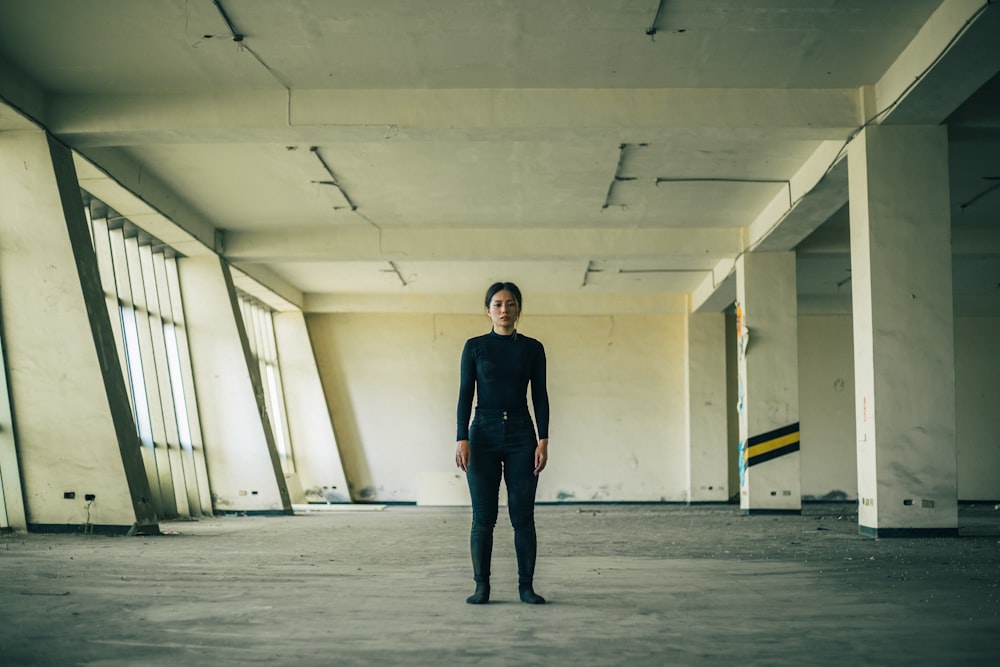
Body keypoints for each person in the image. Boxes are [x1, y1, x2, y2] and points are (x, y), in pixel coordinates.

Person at [455, 281, 549, 605]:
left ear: (518, 309)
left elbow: (540, 395)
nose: (504, 310)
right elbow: (465, 394)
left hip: (523, 433)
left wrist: (543, 440)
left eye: (510, 304)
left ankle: (526, 587)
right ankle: (482, 586)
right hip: (482, 433)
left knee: (522, 516)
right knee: (483, 517)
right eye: (497, 304)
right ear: (488, 310)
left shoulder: (533, 348)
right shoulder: (474, 347)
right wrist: (461, 438)